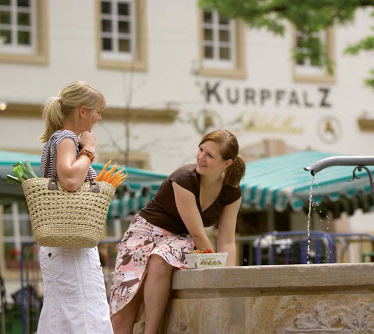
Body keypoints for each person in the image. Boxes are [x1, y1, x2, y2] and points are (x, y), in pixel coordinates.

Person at [110, 130, 245, 334]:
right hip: (143, 232)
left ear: (227, 163)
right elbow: (200, 235)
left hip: (180, 239)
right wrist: (214, 264)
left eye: (210, 155)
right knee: (122, 314)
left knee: (160, 259)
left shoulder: (231, 192)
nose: (201, 157)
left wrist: (227, 278)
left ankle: (151, 332)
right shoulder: (184, 179)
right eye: (201, 150)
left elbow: (226, 240)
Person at [36, 80, 113, 333]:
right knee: (81, 319)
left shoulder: (56, 139)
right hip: (70, 246)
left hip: (60, 245)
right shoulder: (67, 138)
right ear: (83, 111)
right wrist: (89, 150)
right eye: (97, 111)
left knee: (64, 317)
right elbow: (69, 179)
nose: (98, 118)